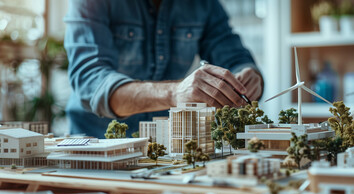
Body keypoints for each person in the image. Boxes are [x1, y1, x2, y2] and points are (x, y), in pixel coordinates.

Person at [64, 0, 264, 138]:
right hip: (95, 146)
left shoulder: (205, 4)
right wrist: (174, 93)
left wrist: (249, 76)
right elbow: (91, 82)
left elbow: (235, 57)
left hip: (165, 147)